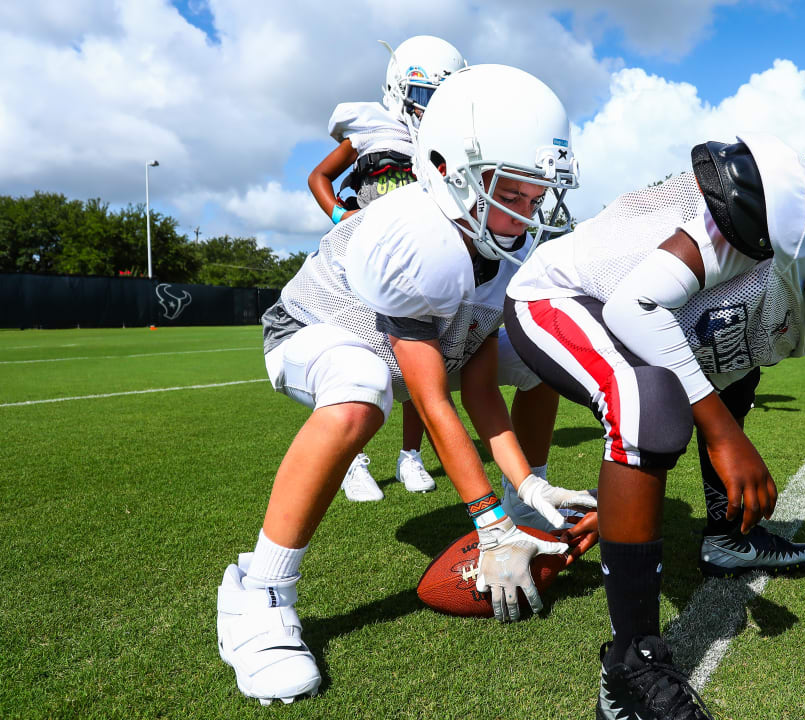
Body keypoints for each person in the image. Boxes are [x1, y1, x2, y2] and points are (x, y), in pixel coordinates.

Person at [504, 119, 805, 719]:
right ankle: (629, 670)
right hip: (562, 296)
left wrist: (629, 496)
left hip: (628, 317)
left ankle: (728, 539)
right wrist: (723, 436)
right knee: (650, 399)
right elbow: (635, 305)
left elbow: (715, 370)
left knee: (724, 378)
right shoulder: (774, 201)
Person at [215, 65, 595, 706]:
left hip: (423, 350)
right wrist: (486, 524)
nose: (528, 215)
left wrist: (522, 486)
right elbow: (433, 398)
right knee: (364, 388)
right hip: (317, 332)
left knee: (539, 355)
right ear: (448, 168)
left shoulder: (500, 249)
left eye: (536, 197)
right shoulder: (416, 235)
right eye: (513, 194)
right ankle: (259, 591)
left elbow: (479, 387)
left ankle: (526, 507)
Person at [306, 36, 467, 501]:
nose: (430, 106)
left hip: (415, 261)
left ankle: (410, 455)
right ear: (399, 89)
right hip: (364, 260)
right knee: (360, 355)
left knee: (424, 356)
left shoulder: (443, 145)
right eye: (423, 94)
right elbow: (318, 176)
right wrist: (341, 215)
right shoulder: (373, 131)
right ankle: (352, 459)